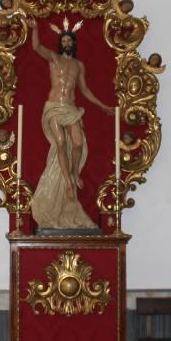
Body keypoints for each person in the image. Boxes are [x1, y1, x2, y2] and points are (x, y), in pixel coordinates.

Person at [25, 18, 114, 229]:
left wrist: (102, 105)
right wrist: (35, 29)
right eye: (63, 40)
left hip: (71, 108)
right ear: (60, 43)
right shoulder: (54, 58)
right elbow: (36, 47)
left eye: (68, 40)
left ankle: (74, 174)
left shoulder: (78, 65)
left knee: (77, 144)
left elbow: (84, 90)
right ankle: (67, 181)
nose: (66, 43)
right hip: (54, 107)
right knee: (60, 145)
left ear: (73, 43)